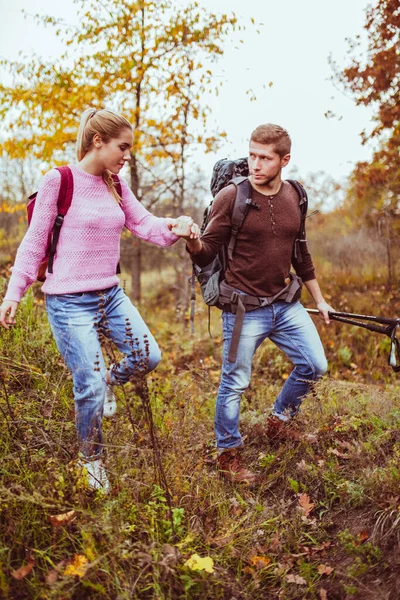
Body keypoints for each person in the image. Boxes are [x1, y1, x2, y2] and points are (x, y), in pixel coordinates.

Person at [0, 108, 199, 492]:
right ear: (98, 141)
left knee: (147, 357)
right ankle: (90, 461)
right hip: (68, 301)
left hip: (109, 295)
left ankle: (109, 381)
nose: (127, 156)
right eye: (122, 147)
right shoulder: (59, 180)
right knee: (86, 383)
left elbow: (145, 225)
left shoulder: (117, 185)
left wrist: (176, 224)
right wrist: (14, 293)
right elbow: (34, 241)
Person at [186, 124, 334, 485]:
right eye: (252, 155)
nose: (255, 164)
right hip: (241, 310)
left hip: (285, 305)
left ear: (284, 160)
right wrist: (191, 241)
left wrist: (321, 299)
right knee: (234, 382)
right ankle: (228, 453)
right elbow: (206, 253)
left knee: (315, 365)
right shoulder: (230, 197)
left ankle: (279, 423)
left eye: (265, 158)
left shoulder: (295, 196)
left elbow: (301, 253)